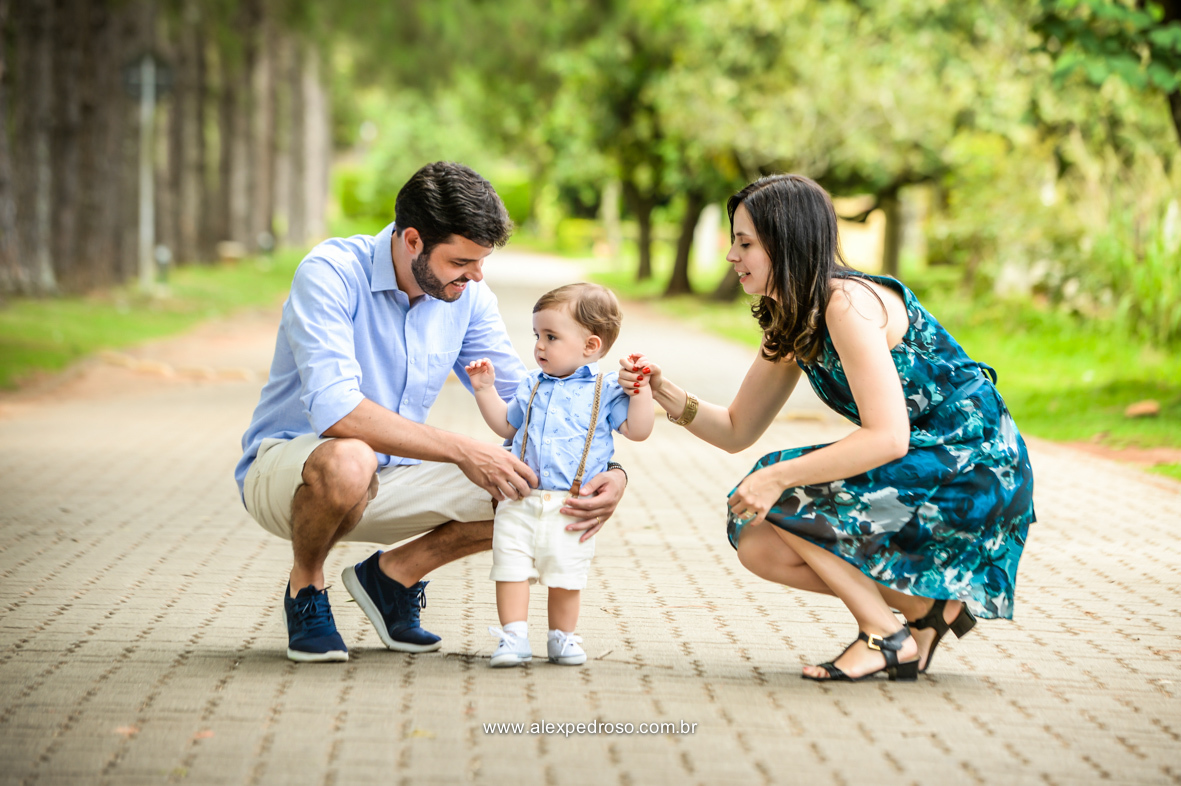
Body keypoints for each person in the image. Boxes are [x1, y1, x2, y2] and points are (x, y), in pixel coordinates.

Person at [623, 174, 1034, 682]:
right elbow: (735, 429)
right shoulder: (793, 317)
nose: (731, 255)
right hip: (928, 456)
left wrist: (779, 477)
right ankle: (924, 611)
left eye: (745, 243)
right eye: (734, 242)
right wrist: (664, 392)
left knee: (781, 487)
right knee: (757, 542)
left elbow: (888, 437)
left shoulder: (847, 304)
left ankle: (885, 635)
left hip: (976, 461)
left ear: (786, 242)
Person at [234, 162, 628, 663]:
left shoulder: (467, 295)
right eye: (462, 261)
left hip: (395, 475)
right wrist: (463, 450)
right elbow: (336, 411)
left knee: (535, 485)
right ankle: (306, 586)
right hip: (294, 473)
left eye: (481, 261)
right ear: (413, 240)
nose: (476, 275)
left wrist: (607, 472)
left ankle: (392, 578)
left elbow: (532, 403)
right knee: (351, 458)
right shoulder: (330, 273)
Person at [464, 283, 653, 668]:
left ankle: (562, 637)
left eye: (551, 337)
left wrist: (641, 391)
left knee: (566, 574)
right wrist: (484, 390)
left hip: (572, 505)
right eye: (537, 335)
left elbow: (638, 430)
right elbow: (507, 426)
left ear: (591, 346)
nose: (539, 346)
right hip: (520, 499)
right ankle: (513, 636)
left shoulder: (605, 390)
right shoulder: (531, 383)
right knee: (510, 568)